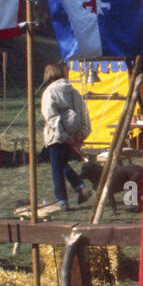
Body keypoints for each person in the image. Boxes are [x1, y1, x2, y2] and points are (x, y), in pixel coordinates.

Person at [41, 62, 92, 207]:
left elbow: (52, 118)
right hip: (73, 133)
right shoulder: (73, 91)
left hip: (57, 136)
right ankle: (80, 188)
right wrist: (81, 133)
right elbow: (83, 113)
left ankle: (62, 200)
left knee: (57, 169)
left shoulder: (49, 92)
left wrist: (63, 135)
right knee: (62, 164)